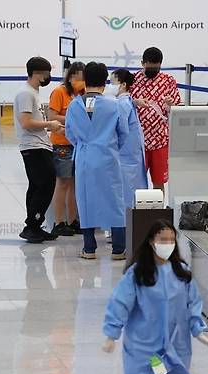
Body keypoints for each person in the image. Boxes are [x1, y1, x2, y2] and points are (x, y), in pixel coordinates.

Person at [101, 219, 208, 374]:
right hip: (146, 350)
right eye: (162, 240)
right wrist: (112, 334)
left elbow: (193, 304)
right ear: (152, 242)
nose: (167, 244)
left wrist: (198, 329)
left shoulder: (181, 273)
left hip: (175, 349)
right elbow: (120, 303)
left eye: (171, 240)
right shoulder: (139, 274)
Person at [65, 62, 128, 260]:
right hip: (108, 157)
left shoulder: (74, 104)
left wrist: (84, 144)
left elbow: (69, 133)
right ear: (105, 80)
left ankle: (89, 248)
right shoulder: (114, 105)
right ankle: (118, 248)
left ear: (85, 80)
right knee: (114, 200)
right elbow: (124, 133)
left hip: (84, 158)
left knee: (85, 200)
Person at [14, 57, 64, 244]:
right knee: (45, 185)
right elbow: (26, 123)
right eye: (47, 73)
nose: (49, 77)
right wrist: (49, 124)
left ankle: (35, 225)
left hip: (40, 145)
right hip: (33, 146)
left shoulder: (33, 93)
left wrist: (51, 127)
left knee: (36, 186)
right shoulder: (26, 94)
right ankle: (32, 225)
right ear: (38, 73)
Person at [130, 47, 181, 192]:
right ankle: (136, 213)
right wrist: (135, 102)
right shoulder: (132, 80)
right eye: (150, 68)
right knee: (136, 183)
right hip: (138, 141)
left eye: (156, 68)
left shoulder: (168, 81)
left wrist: (171, 104)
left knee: (159, 182)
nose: (153, 71)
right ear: (142, 63)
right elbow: (122, 104)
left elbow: (177, 108)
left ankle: (158, 213)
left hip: (160, 139)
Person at [48, 61, 86, 237]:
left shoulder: (83, 95)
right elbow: (52, 116)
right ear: (70, 78)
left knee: (74, 184)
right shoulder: (59, 92)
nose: (81, 82)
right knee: (62, 182)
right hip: (62, 144)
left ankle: (72, 221)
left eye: (84, 79)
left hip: (78, 144)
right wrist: (71, 118)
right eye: (78, 79)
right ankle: (58, 221)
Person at [107, 69, 148, 210]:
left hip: (125, 156)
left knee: (125, 195)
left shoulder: (122, 103)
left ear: (123, 85)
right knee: (131, 193)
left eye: (113, 82)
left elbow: (121, 129)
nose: (109, 86)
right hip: (132, 155)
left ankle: (124, 228)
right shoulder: (128, 101)